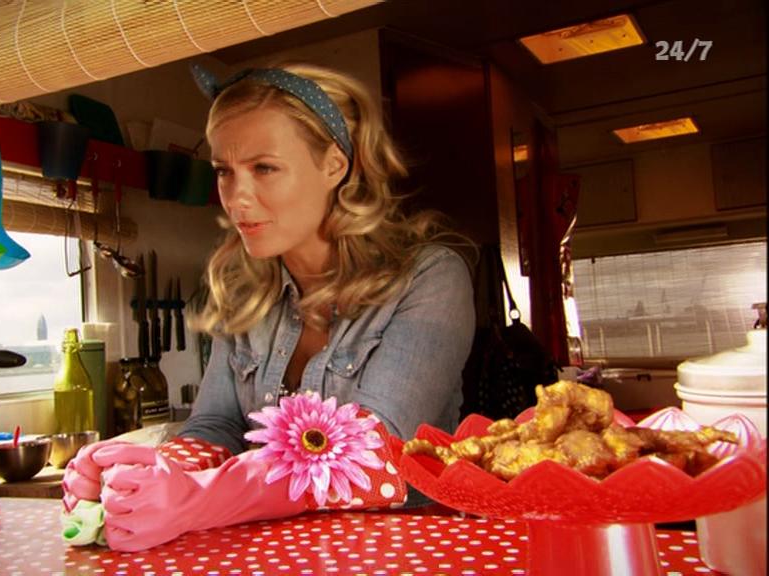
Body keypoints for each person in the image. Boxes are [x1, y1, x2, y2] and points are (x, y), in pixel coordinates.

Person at [61, 62, 476, 551]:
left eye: (264, 168)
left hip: (402, 554)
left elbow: (376, 452)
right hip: (274, 557)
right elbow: (217, 425)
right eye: (224, 171)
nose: (237, 199)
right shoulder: (243, 292)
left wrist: (205, 496)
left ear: (334, 166)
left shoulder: (429, 278)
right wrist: (154, 472)